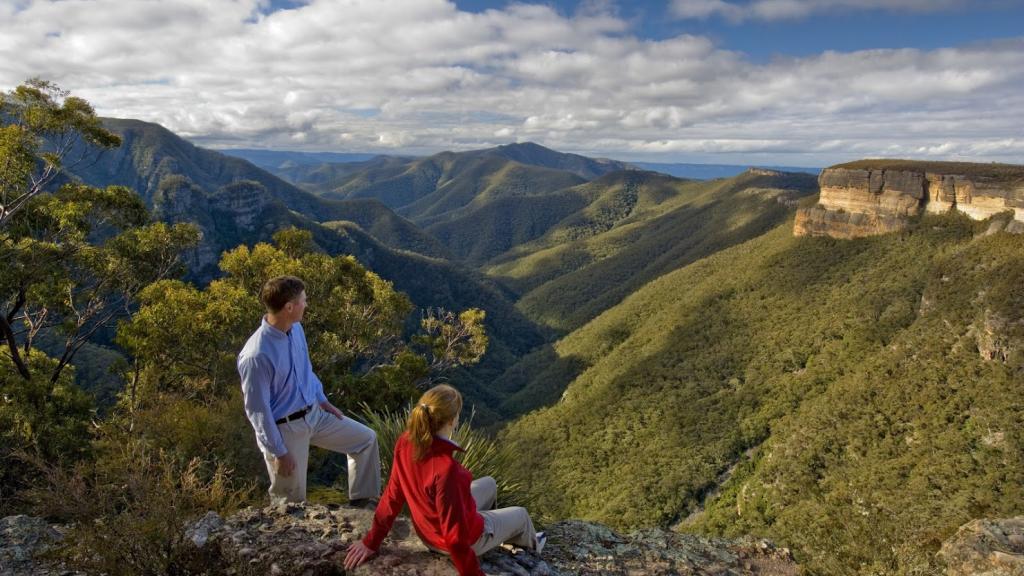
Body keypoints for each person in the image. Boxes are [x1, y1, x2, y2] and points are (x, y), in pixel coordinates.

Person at [343, 384, 545, 575]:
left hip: (427, 531)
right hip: (448, 542)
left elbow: (392, 496)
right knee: (521, 515)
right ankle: (532, 551)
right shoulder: (446, 470)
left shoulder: (405, 442)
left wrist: (372, 542)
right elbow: (455, 538)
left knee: (490, 483)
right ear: (452, 421)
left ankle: (492, 536)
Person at [238, 275, 381, 506]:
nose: (306, 304)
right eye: (303, 300)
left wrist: (322, 399)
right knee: (290, 503)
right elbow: (258, 411)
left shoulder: (296, 330)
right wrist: (279, 452)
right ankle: (287, 540)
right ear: (289, 307)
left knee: (365, 440)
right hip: (286, 430)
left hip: (314, 414)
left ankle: (363, 507)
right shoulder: (256, 355)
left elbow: (305, 370)